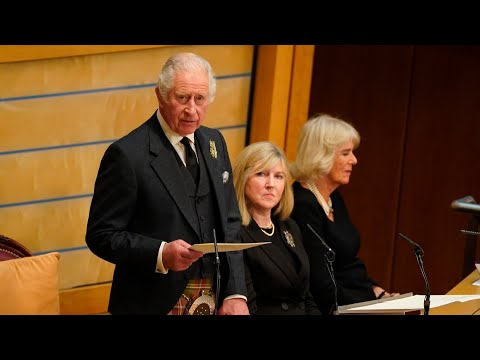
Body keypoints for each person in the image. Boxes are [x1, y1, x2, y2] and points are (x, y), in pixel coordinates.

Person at [85, 52, 249, 315]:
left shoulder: (214, 142)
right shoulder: (127, 155)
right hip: (152, 302)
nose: (191, 110)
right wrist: (160, 253)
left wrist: (234, 292)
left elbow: (230, 223)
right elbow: (101, 235)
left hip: (215, 300)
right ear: (160, 95)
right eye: (182, 98)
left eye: (200, 99)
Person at [290, 114, 399, 315]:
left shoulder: (334, 198)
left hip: (356, 300)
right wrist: (370, 305)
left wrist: (377, 291)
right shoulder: (302, 205)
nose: (354, 160)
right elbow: (321, 284)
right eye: (346, 153)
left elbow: (347, 262)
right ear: (321, 155)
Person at [233, 141, 321, 315]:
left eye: (279, 176)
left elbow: (305, 296)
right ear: (243, 179)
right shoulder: (235, 233)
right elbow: (249, 306)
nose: (270, 184)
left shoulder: (289, 227)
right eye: (261, 174)